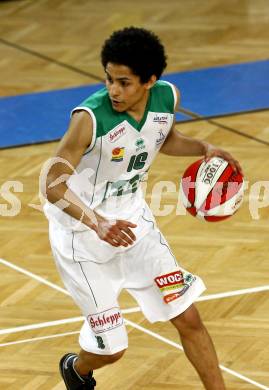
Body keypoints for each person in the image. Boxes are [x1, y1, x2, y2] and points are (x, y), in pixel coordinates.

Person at [44, 27, 242, 390]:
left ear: (150, 81)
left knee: (188, 317)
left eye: (125, 82)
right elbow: (51, 184)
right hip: (82, 239)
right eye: (109, 79)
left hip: (136, 228)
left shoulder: (168, 97)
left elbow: (163, 139)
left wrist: (203, 147)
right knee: (112, 351)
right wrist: (96, 222)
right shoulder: (88, 119)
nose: (114, 90)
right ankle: (77, 368)